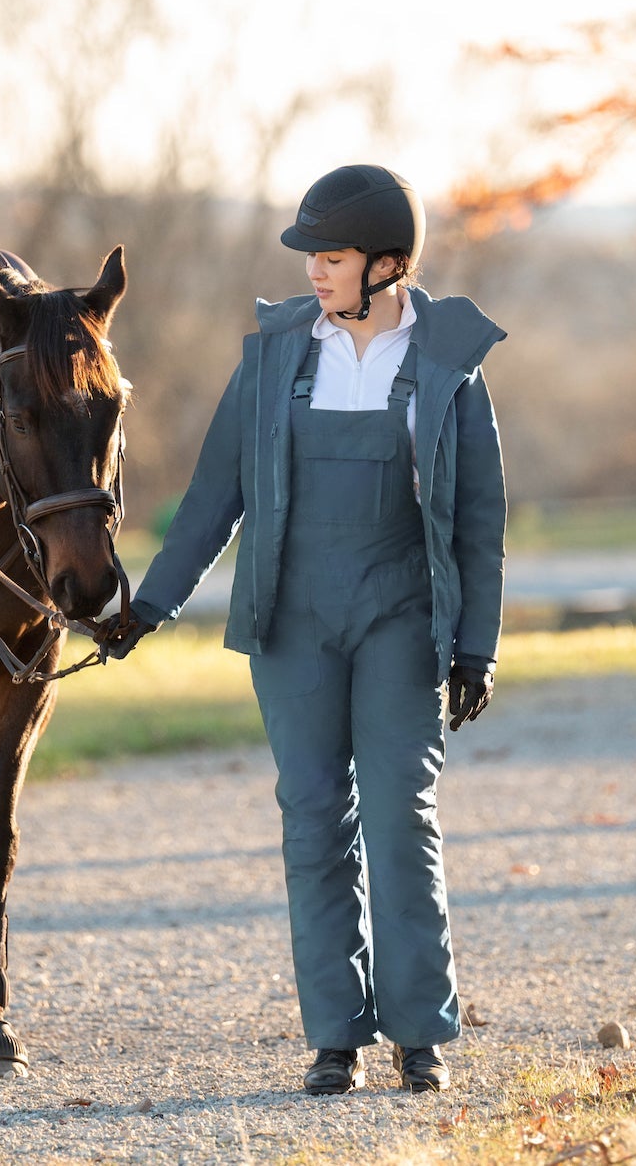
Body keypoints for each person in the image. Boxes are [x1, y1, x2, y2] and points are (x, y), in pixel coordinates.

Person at [106, 164, 507, 1095]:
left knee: (401, 816)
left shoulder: (451, 364)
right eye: (314, 257)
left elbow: (482, 521)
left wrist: (477, 644)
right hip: (292, 617)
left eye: (331, 256)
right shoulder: (278, 354)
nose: (315, 273)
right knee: (313, 817)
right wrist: (149, 606)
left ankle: (420, 1032)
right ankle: (335, 1034)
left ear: (388, 264)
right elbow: (215, 497)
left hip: (403, 617)